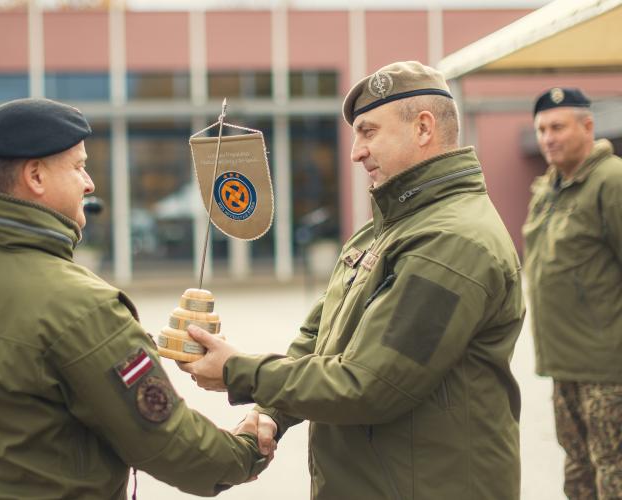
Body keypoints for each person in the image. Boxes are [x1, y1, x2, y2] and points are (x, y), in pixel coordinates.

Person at [180, 61, 525, 499]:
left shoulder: (452, 241)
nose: (355, 152)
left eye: (369, 132)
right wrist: (270, 413)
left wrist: (237, 371)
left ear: (422, 128)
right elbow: (317, 341)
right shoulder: (388, 228)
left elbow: (369, 386)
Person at [0, 97, 269, 500]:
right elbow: (170, 446)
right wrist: (248, 448)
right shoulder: (82, 307)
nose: (90, 182)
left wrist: (128, 343)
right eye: (78, 166)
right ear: (36, 176)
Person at [523, 87, 622, 499]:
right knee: (578, 473)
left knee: (612, 474)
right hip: (564, 366)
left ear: (587, 126)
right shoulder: (549, 189)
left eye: (558, 126)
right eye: (542, 129)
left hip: (607, 369)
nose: (548, 137)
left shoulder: (611, 180)